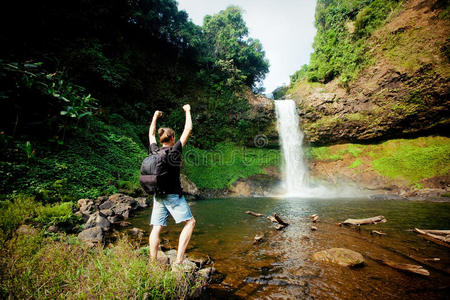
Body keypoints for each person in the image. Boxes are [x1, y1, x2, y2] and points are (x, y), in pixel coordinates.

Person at [148, 104, 195, 269]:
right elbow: (188, 128)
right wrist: (187, 110)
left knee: (156, 227)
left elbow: (150, 134)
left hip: (158, 194)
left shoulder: (154, 151)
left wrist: (155, 116)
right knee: (190, 222)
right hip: (173, 195)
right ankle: (179, 261)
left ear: (161, 139)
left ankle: (152, 263)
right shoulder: (175, 151)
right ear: (173, 138)